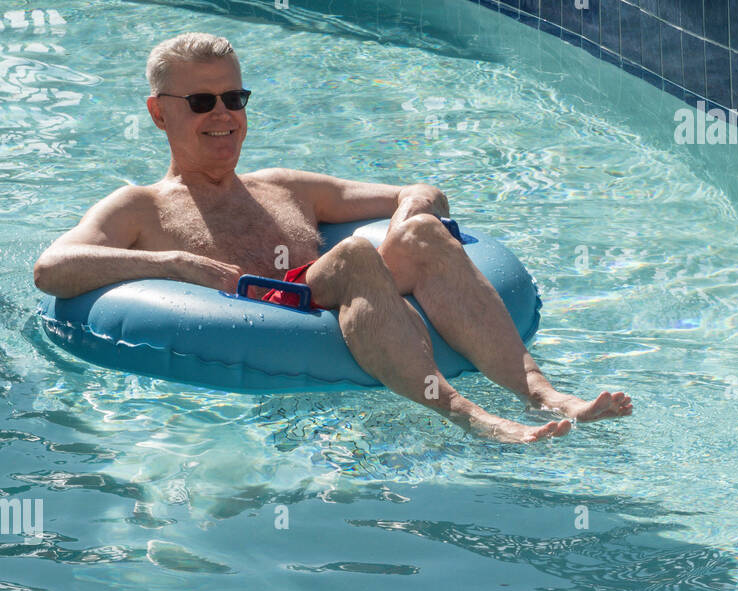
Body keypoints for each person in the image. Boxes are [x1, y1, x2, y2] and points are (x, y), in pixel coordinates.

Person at [34, 32, 633, 444]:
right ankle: (473, 418)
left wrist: (412, 215)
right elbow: (52, 269)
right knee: (352, 255)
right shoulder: (140, 206)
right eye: (201, 101)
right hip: (254, 314)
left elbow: (419, 189)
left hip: (325, 294)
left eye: (234, 98)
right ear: (159, 113)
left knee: (419, 233)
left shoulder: (286, 187)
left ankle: (545, 396)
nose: (223, 114)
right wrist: (178, 265)